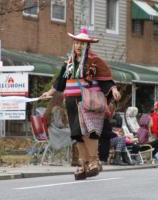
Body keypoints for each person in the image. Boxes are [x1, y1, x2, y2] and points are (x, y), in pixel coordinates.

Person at [40, 27, 121, 180]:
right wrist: (49, 93)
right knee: (77, 133)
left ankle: (93, 161)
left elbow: (106, 80)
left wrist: (113, 89)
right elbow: (60, 83)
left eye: (82, 43)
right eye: (76, 42)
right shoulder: (69, 63)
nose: (78, 46)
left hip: (87, 101)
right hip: (71, 101)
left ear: (87, 45)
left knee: (88, 131)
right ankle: (84, 163)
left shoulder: (95, 61)